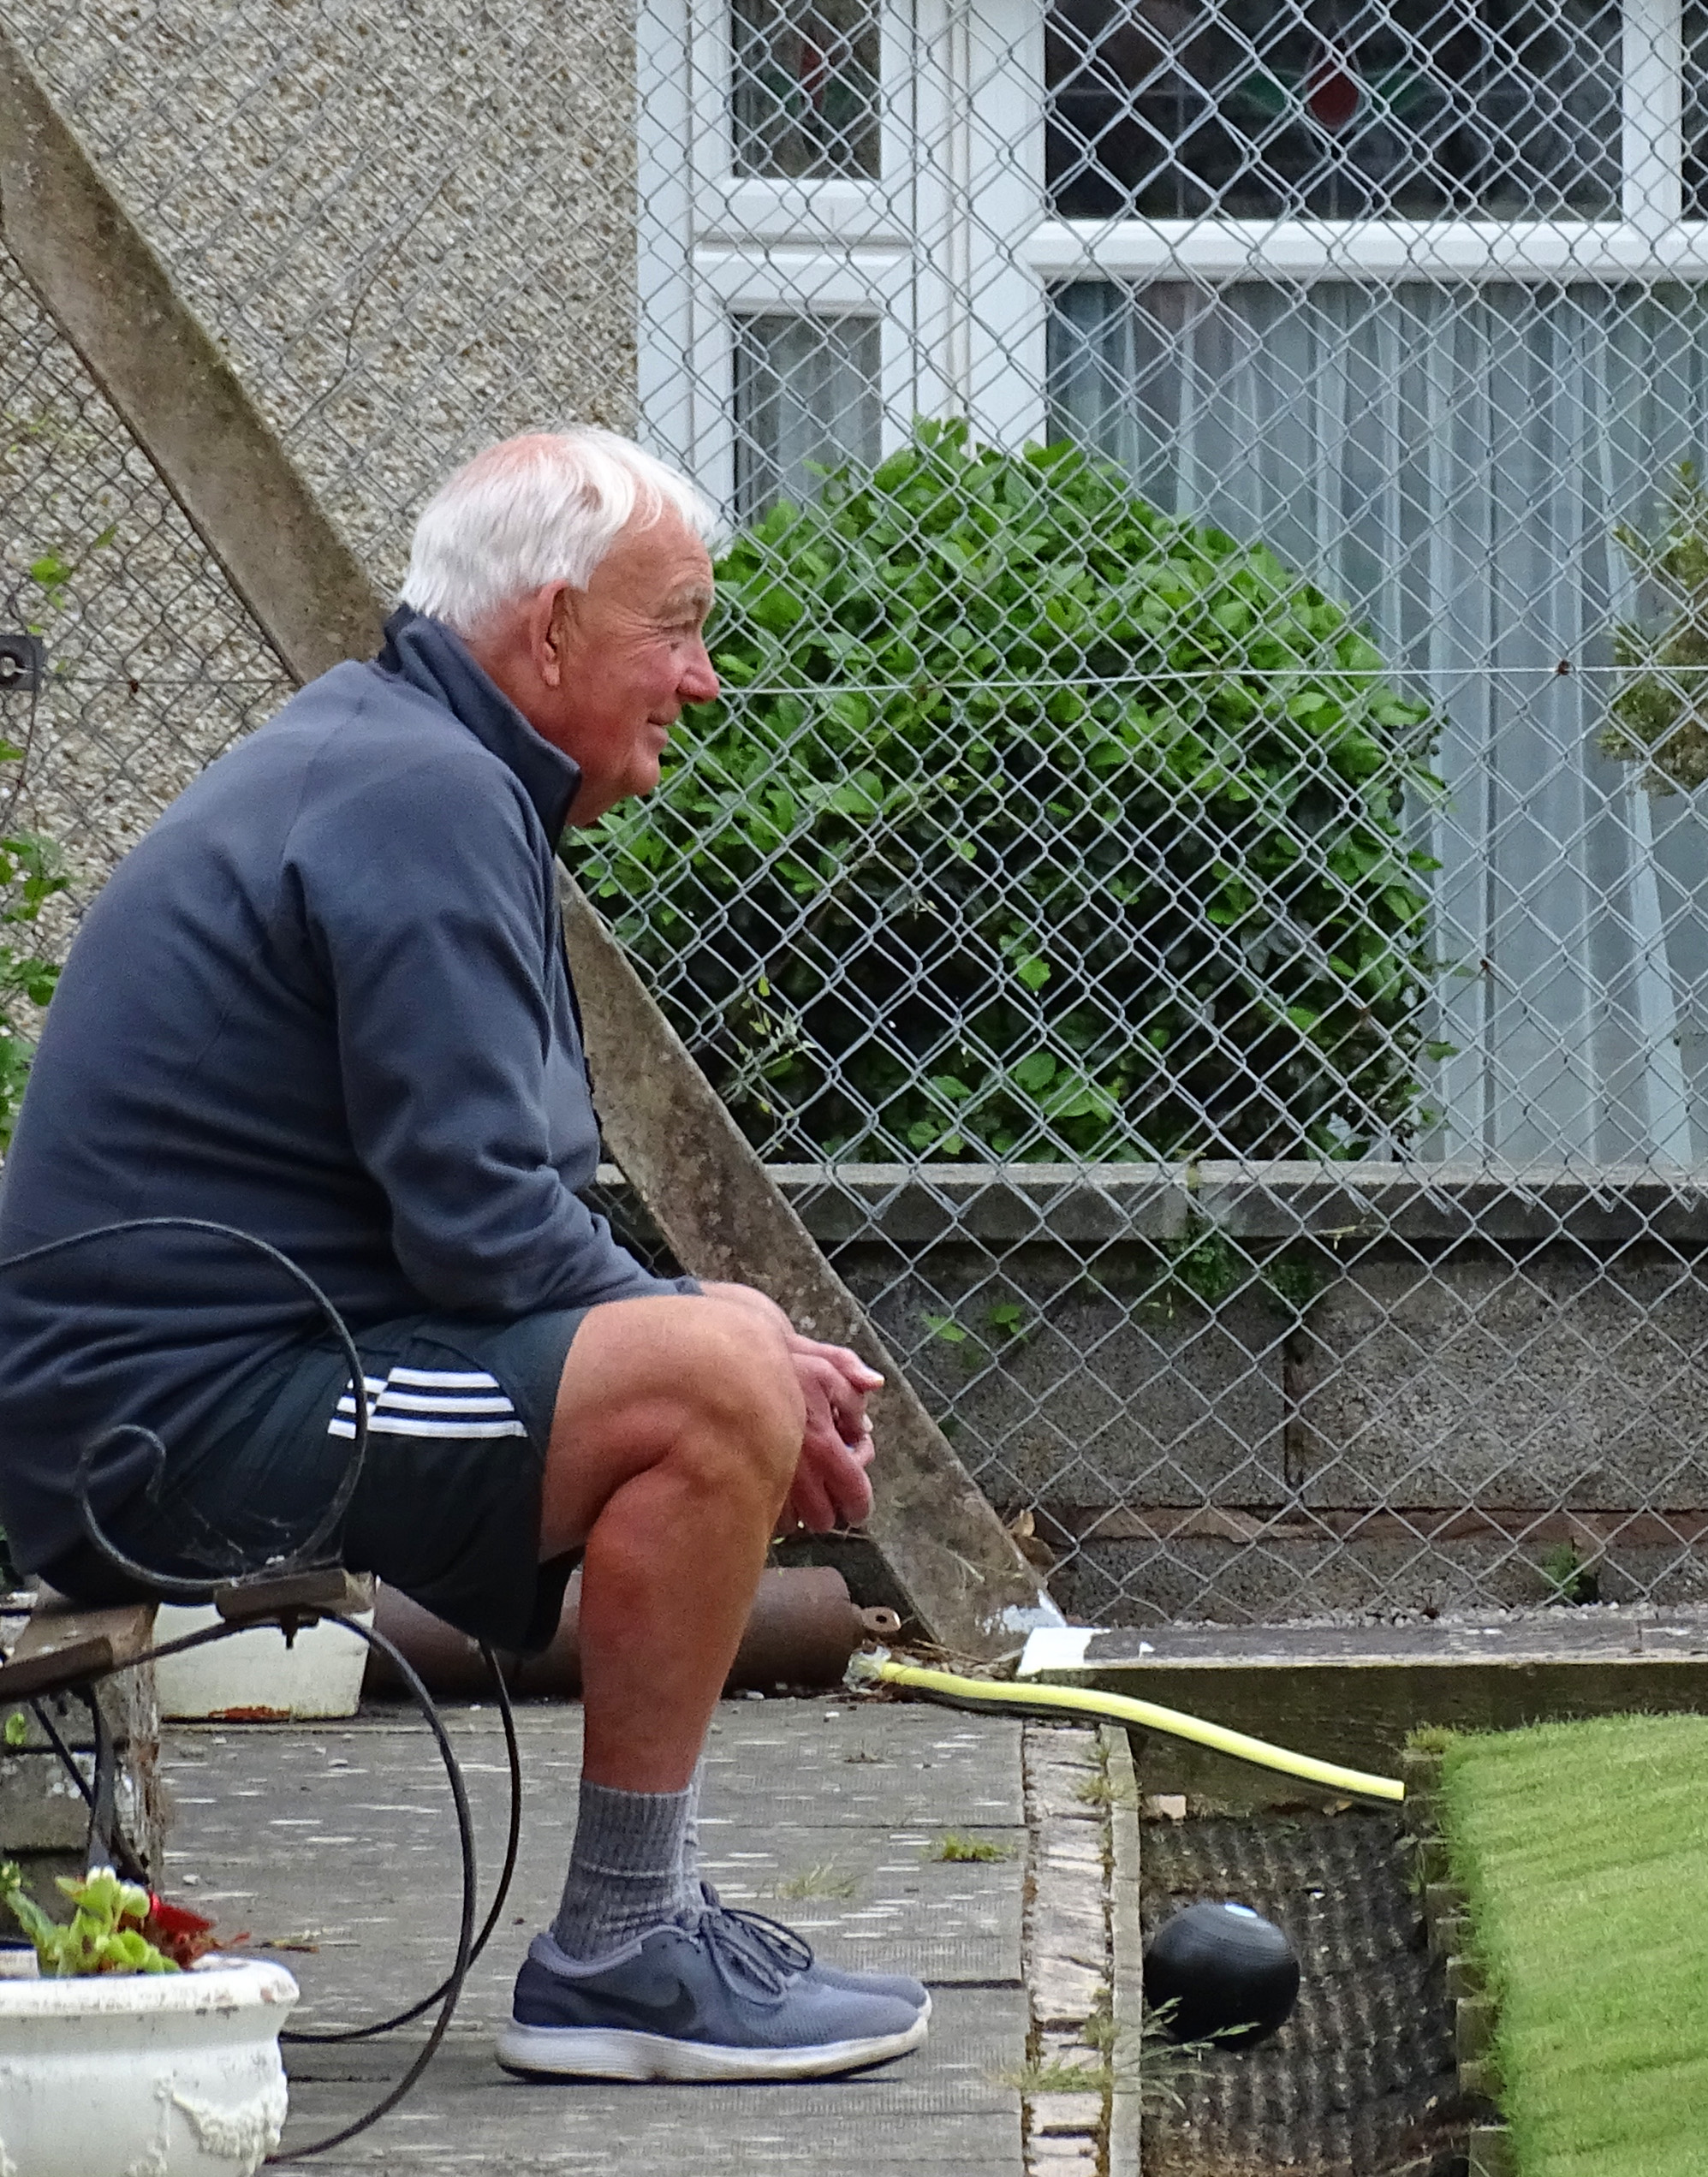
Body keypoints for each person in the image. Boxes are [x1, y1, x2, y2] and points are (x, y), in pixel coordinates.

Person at [0, 429, 930, 2081]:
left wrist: (716, 1334)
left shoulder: (409, 760)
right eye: (676, 627)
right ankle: (626, 1953)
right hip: (157, 1435)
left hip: (192, 1392)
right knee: (712, 1376)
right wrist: (737, 1365)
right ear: (552, 627)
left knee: (715, 1342)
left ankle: (644, 1930)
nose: (703, 678)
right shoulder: (421, 790)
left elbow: (478, 1212)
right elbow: (486, 1220)